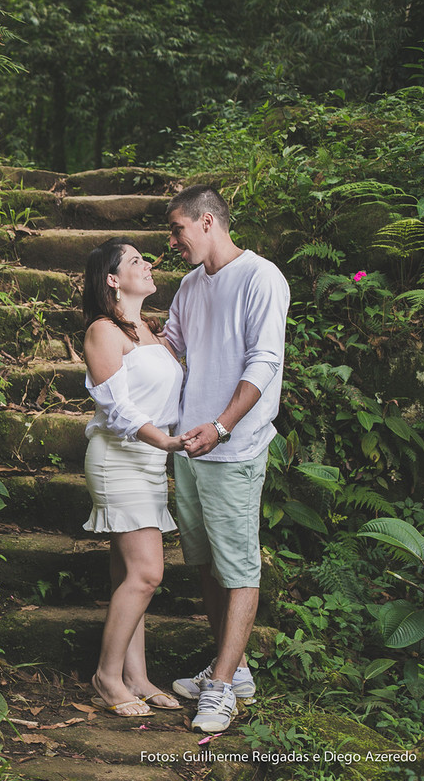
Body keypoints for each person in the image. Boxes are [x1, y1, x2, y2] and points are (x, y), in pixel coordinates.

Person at [162, 185, 290, 733]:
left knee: (238, 568)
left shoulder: (262, 277)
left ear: (207, 221)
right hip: (190, 446)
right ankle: (232, 670)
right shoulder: (191, 285)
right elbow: (169, 346)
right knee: (207, 564)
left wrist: (221, 427)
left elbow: (264, 362)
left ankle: (220, 689)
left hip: (232, 447)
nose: (173, 242)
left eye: (178, 230)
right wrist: (114, 321)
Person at [81, 238, 186, 717]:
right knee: (147, 573)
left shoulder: (149, 331)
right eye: (136, 261)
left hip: (151, 459)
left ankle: (136, 677)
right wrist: (164, 441)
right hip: (120, 458)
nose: (148, 265)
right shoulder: (103, 331)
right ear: (112, 279)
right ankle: (107, 677)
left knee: (129, 574)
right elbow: (116, 407)